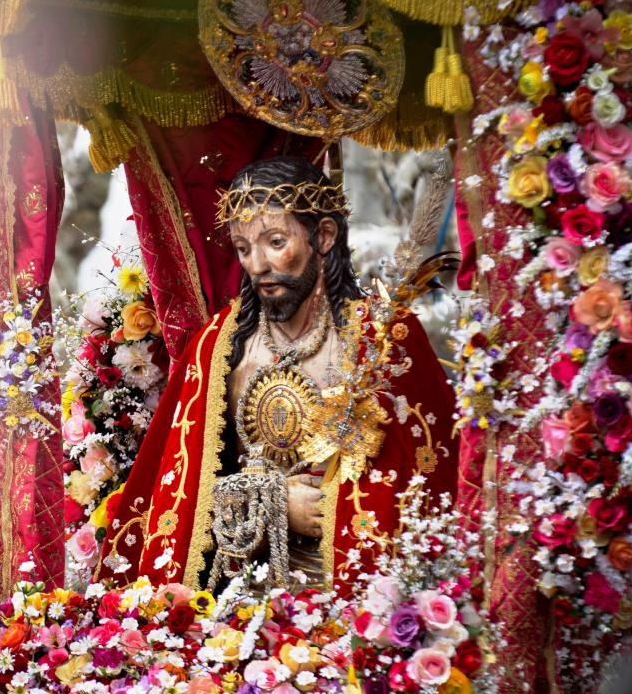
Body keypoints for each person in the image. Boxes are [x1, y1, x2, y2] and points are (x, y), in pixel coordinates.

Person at [96, 156, 458, 593]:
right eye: (244, 248)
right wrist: (275, 504)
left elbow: (423, 483)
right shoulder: (218, 347)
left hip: (358, 599)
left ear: (323, 237)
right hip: (241, 596)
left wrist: (338, 505)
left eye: (275, 242)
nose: (258, 265)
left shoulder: (384, 338)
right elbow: (184, 494)